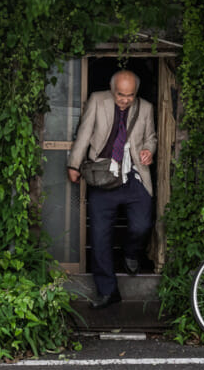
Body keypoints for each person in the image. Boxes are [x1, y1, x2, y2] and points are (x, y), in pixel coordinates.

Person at [66, 69, 157, 309]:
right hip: (103, 175)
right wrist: (74, 164)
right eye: (120, 95)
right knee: (99, 236)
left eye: (130, 95)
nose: (125, 100)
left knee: (142, 224)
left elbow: (151, 138)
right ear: (112, 90)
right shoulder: (98, 100)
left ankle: (131, 253)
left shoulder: (145, 108)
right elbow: (84, 133)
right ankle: (108, 291)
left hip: (134, 175)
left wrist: (149, 150)